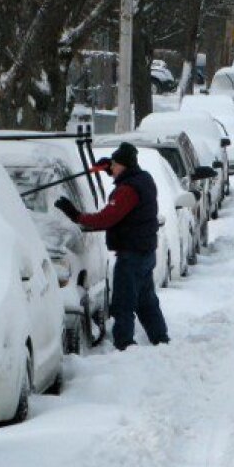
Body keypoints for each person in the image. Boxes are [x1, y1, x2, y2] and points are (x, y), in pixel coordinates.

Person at [54, 142, 170, 351]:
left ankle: (124, 345)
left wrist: (75, 214)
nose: (111, 169)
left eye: (114, 165)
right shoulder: (143, 179)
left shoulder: (127, 190)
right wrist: (110, 167)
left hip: (132, 256)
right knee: (146, 301)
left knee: (123, 304)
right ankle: (161, 340)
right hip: (145, 253)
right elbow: (123, 177)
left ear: (123, 166)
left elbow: (106, 219)